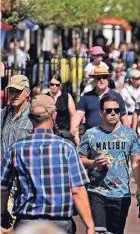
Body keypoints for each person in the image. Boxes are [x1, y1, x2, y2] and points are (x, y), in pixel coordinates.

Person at [1, 95, 94, 234]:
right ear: (54, 116)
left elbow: (3, 188)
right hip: (59, 223)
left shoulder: (15, 149)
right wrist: (89, 225)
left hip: (27, 223)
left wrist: (3, 212)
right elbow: (77, 190)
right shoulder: (66, 148)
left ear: (30, 117)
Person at [78, 95, 140, 234]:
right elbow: (80, 159)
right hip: (96, 191)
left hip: (121, 193)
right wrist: (93, 163)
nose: (113, 113)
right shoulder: (91, 134)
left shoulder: (129, 134)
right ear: (101, 113)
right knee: (98, 231)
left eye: (116, 110)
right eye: (109, 110)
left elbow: (136, 162)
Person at [71, 63, 129, 141]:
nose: (101, 80)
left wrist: (128, 137)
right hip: (92, 139)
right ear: (94, 80)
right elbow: (78, 114)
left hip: (113, 140)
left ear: (107, 79)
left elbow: (124, 117)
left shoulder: (116, 96)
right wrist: (73, 128)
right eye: (98, 78)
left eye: (104, 77)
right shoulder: (86, 97)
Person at [1, 75, 33, 157]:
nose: (13, 95)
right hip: (3, 167)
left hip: (22, 167)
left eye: (18, 91)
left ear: (28, 92)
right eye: (11, 91)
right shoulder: (4, 113)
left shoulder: (33, 115)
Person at [46, 74, 76, 143]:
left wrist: (73, 130)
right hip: (49, 132)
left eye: (57, 85)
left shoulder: (66, 96)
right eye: (52, 84)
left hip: (65, 132)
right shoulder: (45, 97)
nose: (54, 86)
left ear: (60, 85)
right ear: (49, 84)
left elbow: (73, 114)